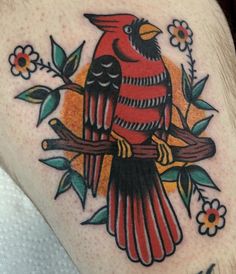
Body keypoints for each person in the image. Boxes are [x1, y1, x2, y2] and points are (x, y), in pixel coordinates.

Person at [0, 0, 235, 273]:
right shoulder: (104, 65)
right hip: (121, 155)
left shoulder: (157, 59)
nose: (147, 31)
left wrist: (162, 144)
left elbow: (163, 110)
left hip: (149, 149)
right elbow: (99, 120)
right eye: (132, 32)